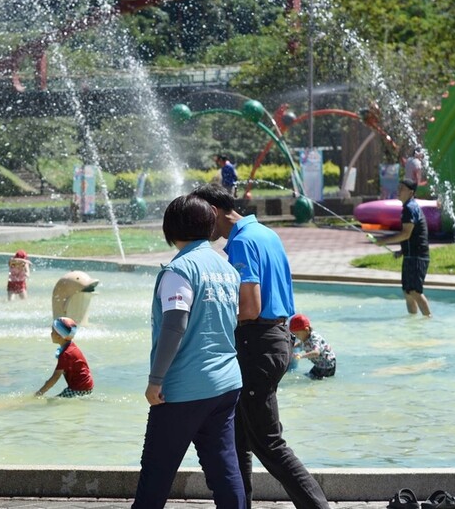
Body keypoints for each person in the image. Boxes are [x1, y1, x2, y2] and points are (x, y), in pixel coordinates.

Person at [192, 183, 330, 509]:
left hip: (257, 342)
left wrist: (208, 316)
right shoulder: (266, 233)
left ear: (213, 212)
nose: (199, 226)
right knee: (238, 437)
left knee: (268, 443)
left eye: (200, 217)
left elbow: (251, 308)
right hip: (276, 338)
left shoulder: (241, 242)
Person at [132, 194, 244, 509]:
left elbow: (174, 327)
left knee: (156, 472)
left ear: (170, 229)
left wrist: (156, 379)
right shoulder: (226, 268)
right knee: (224, 468)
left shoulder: (179, 270)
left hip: (184, 388)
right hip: (226, 384)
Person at [375, 178, 432, 316]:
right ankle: (413, 323)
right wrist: (402, 251)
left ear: (411, 192)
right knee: (407, 292)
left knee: (415, 292)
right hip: (410, 256)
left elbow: (406, 234)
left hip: (417, 257)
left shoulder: (410, 208)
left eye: (402, 188)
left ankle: (428, 319)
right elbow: (413, 235)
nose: (398, 191)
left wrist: (384, 241)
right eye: (398, 188)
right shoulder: (408, 207)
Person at [34, 317, 94, 398]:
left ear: (59, 336)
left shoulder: (66, 354)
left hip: (80, 388)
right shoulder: (70, 346)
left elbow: (55, 377)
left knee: (52, 402)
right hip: (86, 385)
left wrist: (40, 392)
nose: (51, 334)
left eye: (53, 331)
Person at [289, 314, 336, 380]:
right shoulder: (305, 337)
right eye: (294, 334)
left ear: (306, 330)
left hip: (327, 366)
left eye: (297, 334)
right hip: (319, 364)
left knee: (316, 380)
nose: (296, 336)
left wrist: (301, 356)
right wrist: (290, 347)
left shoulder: (314, 338)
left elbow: (316, 352)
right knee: (309, 376)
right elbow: (301, 344)